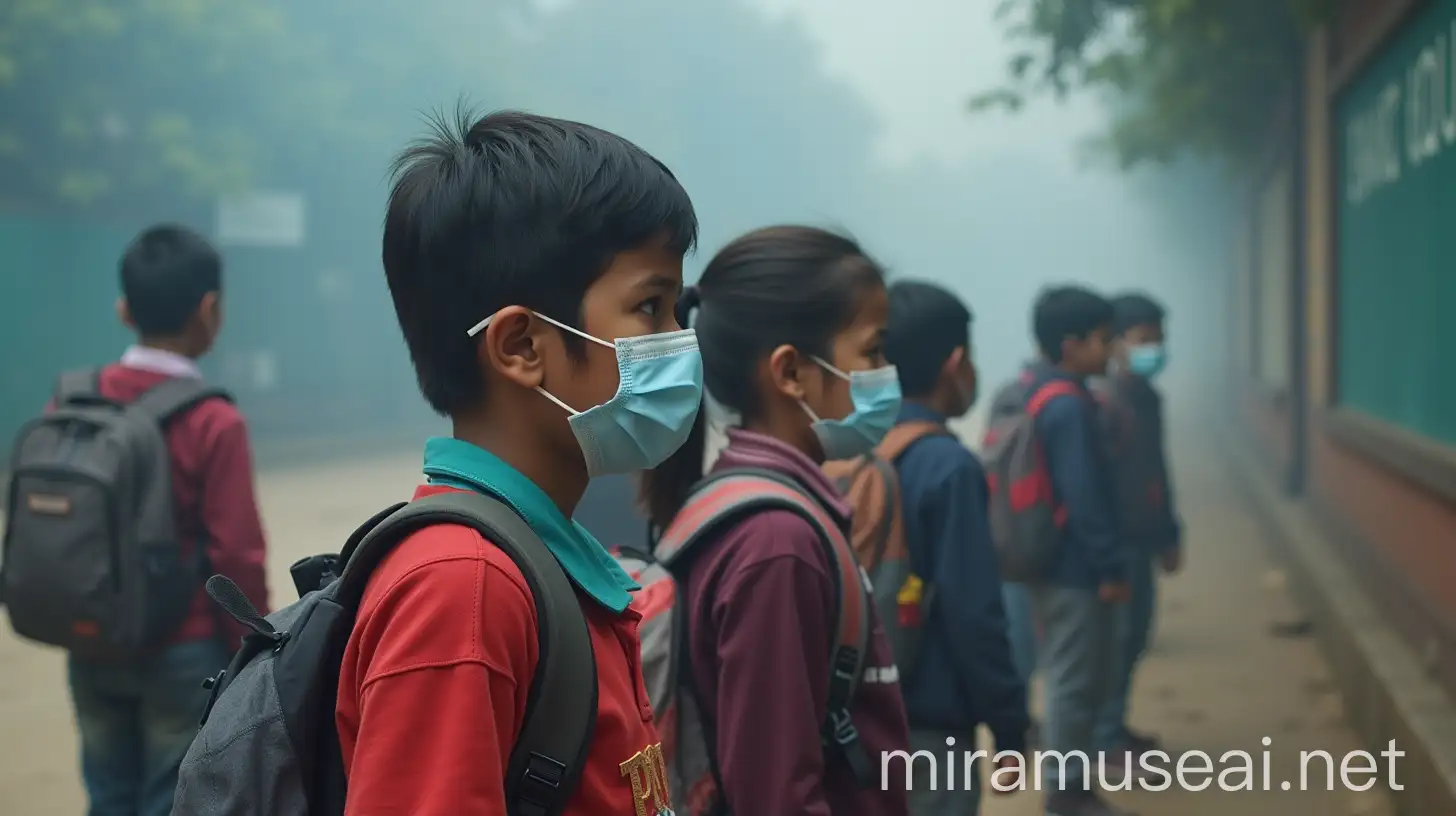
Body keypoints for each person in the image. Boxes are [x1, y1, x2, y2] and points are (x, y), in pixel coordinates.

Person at [336, 110, 701, 814]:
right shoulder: (464, 590)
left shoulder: (539, 562)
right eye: (650, 307)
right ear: (522, 348)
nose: (679, 341)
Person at [640, 226, 912, 816]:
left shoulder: (763, 510)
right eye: (872, 351)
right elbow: (775, 794)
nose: (886, 372)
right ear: (790, 372)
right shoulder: (776, 542)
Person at [68, 224, 269, 816]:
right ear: (210, 311)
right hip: (181, 653)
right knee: (170, 799)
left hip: (92, 640)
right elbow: (236, 554)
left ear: (123, 309)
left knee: (107, 795)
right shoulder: (212, 421)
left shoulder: (78, 399)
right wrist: (252, 647)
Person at [882, 280, 1028, 815]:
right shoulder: (948, 466)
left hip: (861, 709)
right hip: (933, 715)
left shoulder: (853, 450)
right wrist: (1009, 723)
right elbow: (975, 612)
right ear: (956, 361)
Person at [1020, 285, 1128, 816]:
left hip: (1061, 563)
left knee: (1075, 674)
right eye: (1103, 340)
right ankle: (1065, 791)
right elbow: (1083, 496)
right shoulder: (1066, 407)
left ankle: (1072, 784)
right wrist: (1109, 565)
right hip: (1073, 569)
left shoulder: (1047, 393)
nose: (1110, 351)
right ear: (1071, 345)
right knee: (1072, 678)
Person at [1092, 292, 1183, 770]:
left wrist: (1170, 532)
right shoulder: (1104, 404)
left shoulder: (1146, 398)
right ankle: (1104, 737)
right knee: (1117, 638)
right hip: (1118, 542)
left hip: (1144, 537)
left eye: (1160, 338)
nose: (1156, 348)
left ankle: (1115, 725)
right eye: (1146, 338)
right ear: (1118, 344)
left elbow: (1156, 470)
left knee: (1136, 635)